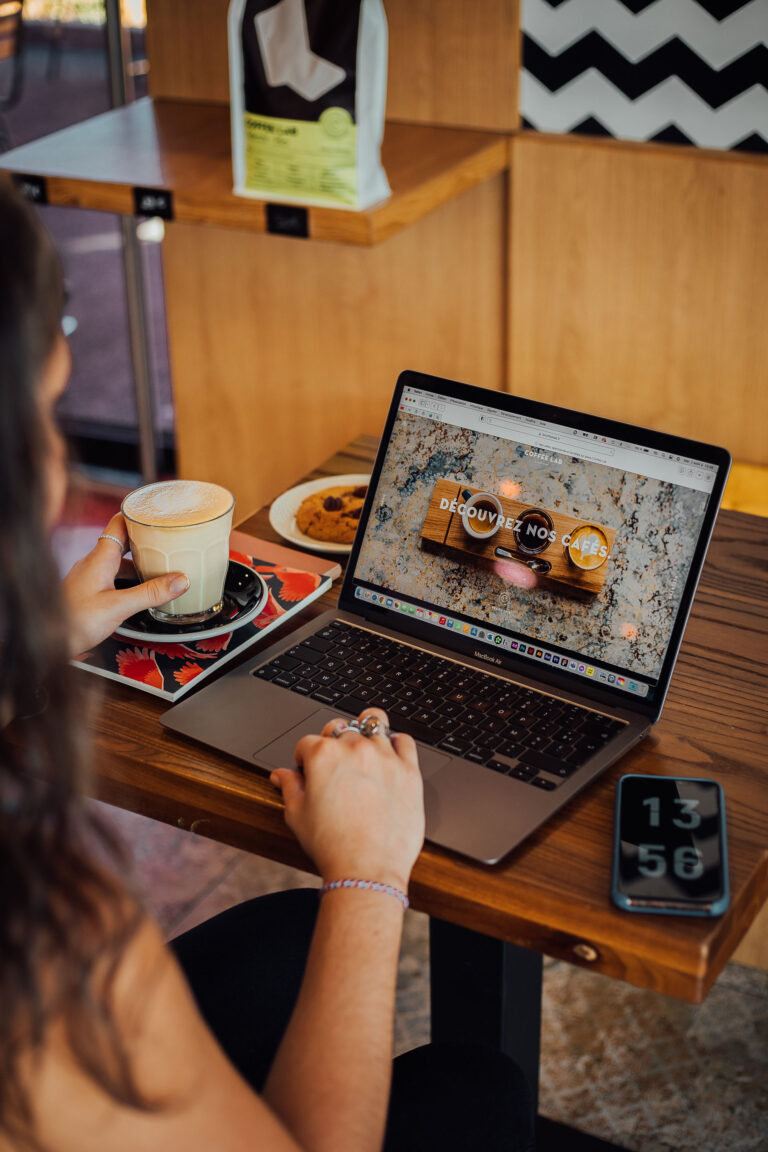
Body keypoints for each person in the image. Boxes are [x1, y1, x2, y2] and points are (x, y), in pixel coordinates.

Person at [0, 179, 536, 1152]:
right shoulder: (48, 936)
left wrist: (33, 645)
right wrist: (370, 874)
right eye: (44, 410)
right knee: (481, 1090)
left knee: (289, 938)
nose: (56, 460)